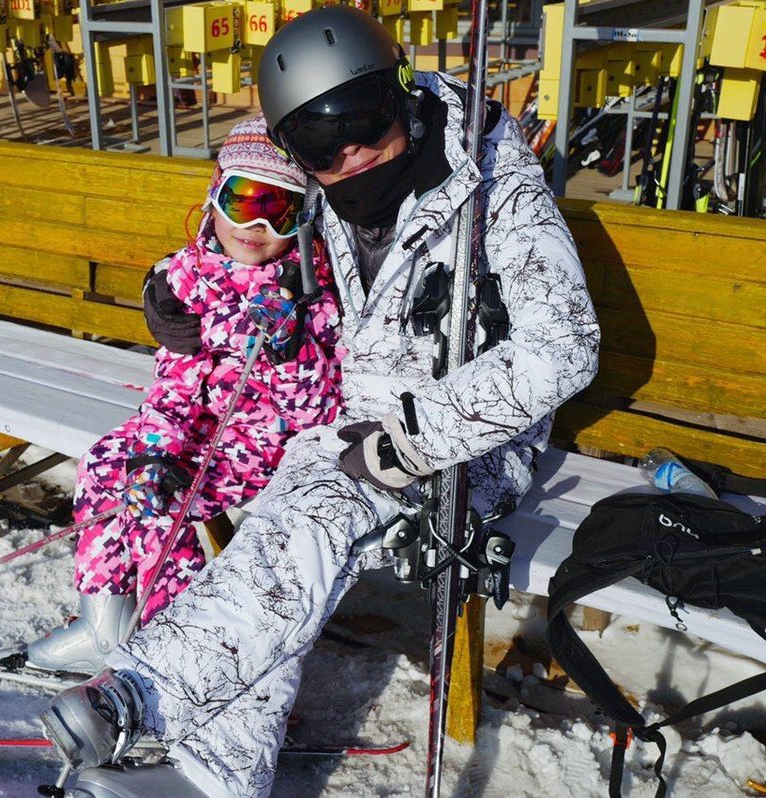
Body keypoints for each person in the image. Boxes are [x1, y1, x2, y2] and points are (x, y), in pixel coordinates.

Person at [38, 7, 602, 797]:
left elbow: (565, 345)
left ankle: (142, 697)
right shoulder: (318, 166)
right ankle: (215, 772)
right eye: (317, 146)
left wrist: (413, 438)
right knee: (280, 541)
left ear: (400, 94)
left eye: (366, 123)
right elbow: (233, 213)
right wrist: (170, 301)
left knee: (306, 521)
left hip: (467, 439)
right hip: (346, 419)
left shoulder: (493, 185)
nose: (349, 155)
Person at [0, 116, 344, 675]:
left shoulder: (310, 296)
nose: (253, 224)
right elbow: (174, 388)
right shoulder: (187, 280)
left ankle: (167, 652)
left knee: (162, 510)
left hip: (261, 445)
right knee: (113, 464)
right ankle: (103, 624)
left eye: (276, 209)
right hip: (193, 429)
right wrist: (155, 453)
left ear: (303, 219)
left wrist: (290, 349)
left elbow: (315, 411)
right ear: (213, 197)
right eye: (241, 199)